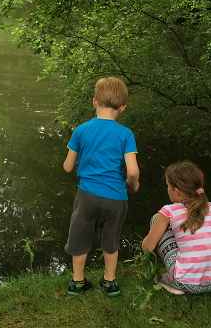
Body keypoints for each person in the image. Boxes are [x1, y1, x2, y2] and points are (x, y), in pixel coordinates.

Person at [63, 76, 140, 296]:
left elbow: (68, 167)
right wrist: (132, 184)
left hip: (87, 195)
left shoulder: (81, 130)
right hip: (116, 197)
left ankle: (77, 282)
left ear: (94, 101)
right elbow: (133, 171)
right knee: (111, 238)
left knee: (79, 235)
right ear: (123, 107)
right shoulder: (126, 134)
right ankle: (109, 282)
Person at [141, 160, 211, 295]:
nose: (167, 190)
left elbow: (147, 247)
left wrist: (145, 245)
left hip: (187, 283)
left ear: (176, 191)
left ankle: (171, 280)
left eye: (167, 186)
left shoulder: (169, 211)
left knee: (156, 219)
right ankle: (184, 275)